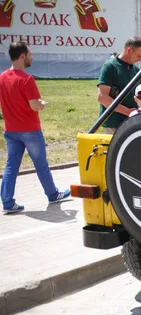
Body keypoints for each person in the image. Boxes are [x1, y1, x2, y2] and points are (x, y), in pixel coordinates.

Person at [0, 42, 70, 214]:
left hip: (11, 129)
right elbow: (34, 105)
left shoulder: (1, 78)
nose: (32, 57)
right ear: (22, 56)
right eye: (30, 54)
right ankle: (53, 194)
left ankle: (7, 201)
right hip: (29, 129)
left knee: (11, 166)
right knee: (41, 164)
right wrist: (42, 104)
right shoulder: (26, 79)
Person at [97, 37, 141, 135]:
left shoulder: (136, 71)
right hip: (113, 124)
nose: (140, 59)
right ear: (129, 50)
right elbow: (102, 97)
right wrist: (128, 112)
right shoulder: (110, 67)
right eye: (138, 56)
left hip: (132, 123)